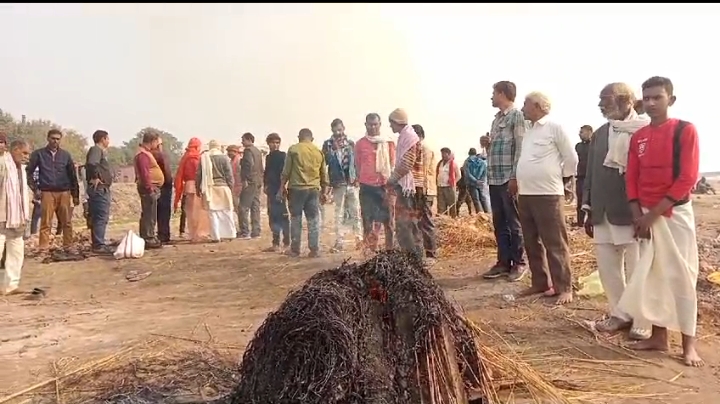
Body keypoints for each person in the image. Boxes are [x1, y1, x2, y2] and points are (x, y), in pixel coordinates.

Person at [617, 76, 703, 367]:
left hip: (674, 213)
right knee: (653, 277)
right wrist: (636, 213)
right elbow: (632, 176)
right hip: (644, 214)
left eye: (658, 97)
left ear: (671, 100)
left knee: (682, 275)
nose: (652, 103)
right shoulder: (638, 137)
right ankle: (658, 336)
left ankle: (688, 344)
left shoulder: (684, 131)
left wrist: (653, 215)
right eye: (647, 98)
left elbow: (687, 178)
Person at [584, 82, 651, 340]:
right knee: (608, 268)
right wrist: (587, 207)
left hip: (632, 212)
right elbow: (590, 173)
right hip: (602, 211)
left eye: (606, 100)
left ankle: (642, 319)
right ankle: (620, 314)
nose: (601, 105)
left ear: (625, 101)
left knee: (638, 269)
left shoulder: (644, 131)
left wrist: (645, 212)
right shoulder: (601, 133)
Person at [516, 91, 578, 305]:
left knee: (555, 242)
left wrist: (560, 179)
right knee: (531, 242)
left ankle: (564, 287)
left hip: (548, 194)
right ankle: (540, 282)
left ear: (537, 106)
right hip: (526, 193)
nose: (522, 107)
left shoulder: (554, 128)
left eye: (525, 104)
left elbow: (571, 158)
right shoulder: (529, 131)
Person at [483, 81, 527, 281]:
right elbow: (497, 150)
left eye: (493, 93)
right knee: (499, 222)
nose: (491, 97)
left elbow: (520, 148)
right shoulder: (496, 120)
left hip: (508, 179)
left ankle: (519, 263)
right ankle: (503, 262)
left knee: (514, 223)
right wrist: (487, 145)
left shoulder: (517, 116)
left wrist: (515, 176)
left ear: (502, 94)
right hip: (494, 178)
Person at [26, 129, 79, 249]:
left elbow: (72, 176)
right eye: (53, 138)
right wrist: (35, 189)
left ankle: (68, 246)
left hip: (64, 192)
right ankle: (43, 248)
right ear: (48, 138)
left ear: (60, 140)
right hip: (47, 192)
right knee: (46, 223)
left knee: (66, 222)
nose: (55, 141)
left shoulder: (65, 155)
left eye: (57, 139)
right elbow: (28, 172)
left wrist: (75, 195)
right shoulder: (39, 154)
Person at [280, 128, 328, 258]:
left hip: (296, 189)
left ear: (299, 137)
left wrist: (281, 188)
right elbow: (324, 174)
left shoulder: (294, 149)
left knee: (296, 219)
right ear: (311, 139)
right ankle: (314, 249)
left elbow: (286, 171)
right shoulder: (318, 151)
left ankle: (295, 250)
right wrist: (324, 192)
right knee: (313, 220)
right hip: (313, 190)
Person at [355, 113, 396, 252]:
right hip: (366, 187)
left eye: (375, 124)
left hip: (385, 186)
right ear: (365, 125)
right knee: (367, 220)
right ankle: (370, 251)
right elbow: (358, 165)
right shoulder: (360, 144)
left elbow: (392, 163)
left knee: (388, 221)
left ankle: (389, 250)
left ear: (380, 125)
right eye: (370, 124)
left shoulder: (388, 143)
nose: (373, 127)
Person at [387, 108, 424, 259]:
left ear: (397, 122)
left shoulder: (409, 137)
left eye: (391, 123)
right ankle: (411, 256)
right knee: (407, 223)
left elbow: (406, 164)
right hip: (407, 187)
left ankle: (413, 258)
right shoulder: (405, 136)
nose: (391, 127)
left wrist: (392, 179)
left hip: (409, 187)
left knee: (406, 224)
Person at [324, 119, 361, 252]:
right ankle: (339, 241)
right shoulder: (328, 144)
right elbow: (326, 162)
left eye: (340, 130)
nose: (338, 133)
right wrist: (332, 150)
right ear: (332, 131)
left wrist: (357, 178)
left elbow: (356, 162)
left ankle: (359, 239)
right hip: (338, 182)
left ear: (344, 128)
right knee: (339, 213)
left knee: (355, 211)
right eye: (335, 130)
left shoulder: (350, 143)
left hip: (351, 181)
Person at [1, 139, 32, 295]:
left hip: (16, 217)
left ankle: (11, 286)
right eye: (24, 153)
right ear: (15, 150)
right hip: (2, 215)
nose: (27, 156)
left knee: (16, 253)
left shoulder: (21, 169)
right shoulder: (2, 164)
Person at [197, 140, 236, 241]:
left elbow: (199, 175)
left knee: (212, 213)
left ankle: (216, 236)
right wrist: (231, 187)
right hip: (223, 187)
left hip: (210, 188)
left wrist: (198, 188)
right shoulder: (224, 158)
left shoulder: (204, 158)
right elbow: (229, 174)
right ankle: (230, 234)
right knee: (227, 211)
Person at [174, 138, 210, 242]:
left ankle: (192, 232)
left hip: (188, 186)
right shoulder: (194, 158)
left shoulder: (186, 157)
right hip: (195, 186)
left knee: (189, 211)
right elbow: (198, 174)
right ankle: (197, 233)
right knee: (196, 211)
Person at [84, 130, 114, 253]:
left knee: (99, 216)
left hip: (102, 189)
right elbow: (92, 163)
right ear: (103, 139)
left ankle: (99, 242)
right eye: (108, 138)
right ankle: (98, 244)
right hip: (99, 189)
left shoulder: (100, 152)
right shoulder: (96, 150)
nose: (109, 141)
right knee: (101, 216)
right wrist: (96, 176)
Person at [134, 131, 164, 248]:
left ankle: (147, 236)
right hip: (148, 188)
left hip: (150, 187)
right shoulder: (142, 155)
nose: (157, 145)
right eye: (156, 142)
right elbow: (144, 173)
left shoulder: (145, 153)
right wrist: (149, 188)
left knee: (149, 213)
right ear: (152, 141)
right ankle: (148, 238)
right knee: (149, 214)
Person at [413, 124, 438, 261]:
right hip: (419, 189)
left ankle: (431, 253)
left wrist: (420, 191)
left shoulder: (424, 149)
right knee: (418, 222)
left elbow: (422, 171)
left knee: (426, 222)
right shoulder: (417, 149)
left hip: (424, 190)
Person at [263, 133, 290, 252]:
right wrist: (265, 185)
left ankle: (286, 242)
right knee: (273, 216)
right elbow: (267, 172)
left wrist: (282, 189)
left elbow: (284, 174)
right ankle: (275, 243)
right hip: (271, 189)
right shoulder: (268, 157)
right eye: (273, 142)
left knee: (283, 216)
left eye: (277, 142)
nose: (275, 145)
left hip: (280, 189)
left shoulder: (283, 156)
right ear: (268, 143)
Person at [239, 132, 263, 239]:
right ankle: (256, 231)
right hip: (257, 181)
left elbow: (248, 166)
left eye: (243, 140)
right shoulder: (257, 151)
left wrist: (245, 180)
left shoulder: (248, 151)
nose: (242, 142)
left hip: (250, 181)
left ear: (249, 140)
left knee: (243, 207)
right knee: (255, 207)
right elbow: (261, 168)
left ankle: (245, 231)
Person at [150, 140, 173, 243]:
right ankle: (164, 234)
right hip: (163, 185)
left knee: (155, 210)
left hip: (153, 185)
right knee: (164, 211)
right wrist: (168, 183)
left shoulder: (148, 155)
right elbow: (167, 171)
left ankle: (156, 234)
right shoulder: (160, 155)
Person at [574, 125, 593, 226]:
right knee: (580, 200)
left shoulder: (595, 145)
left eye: (582, 132)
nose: (579, 134)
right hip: (581, 177)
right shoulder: (578, 146)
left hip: (592, 178)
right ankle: (580, 222)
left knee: (592, 200)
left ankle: (593, 221)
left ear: (590, 132)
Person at [436, 147, 461, 217]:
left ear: (449, 154)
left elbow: (459, 176)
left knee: (452, 205)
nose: (443, 155)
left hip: (449, 187)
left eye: (444, 154)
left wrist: (453, 183)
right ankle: (442, 220)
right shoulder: (440, 163)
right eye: (442, 154)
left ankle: (452, 221)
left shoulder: (454, 164)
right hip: (440, 187)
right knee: (441, 206)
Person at [464, 148, 491, 213]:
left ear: (469, 153)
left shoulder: (467, 161)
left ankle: (480, 215)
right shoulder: (481, 161)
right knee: (483, 198)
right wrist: (481, 180)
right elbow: (485, 172)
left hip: (472, 183)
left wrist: (475, 181)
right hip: (481, 183)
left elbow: (467, 174)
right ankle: (487, 214)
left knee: (476, 200)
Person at [226, 145, 244, 228]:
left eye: (231, 151)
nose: (229, 153)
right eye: (228, 151)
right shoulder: (231, 161)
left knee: (240, 209)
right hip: (234, 187)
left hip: (239, 186)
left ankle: (243, 227)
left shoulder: (239, 161)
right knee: (237, 209)